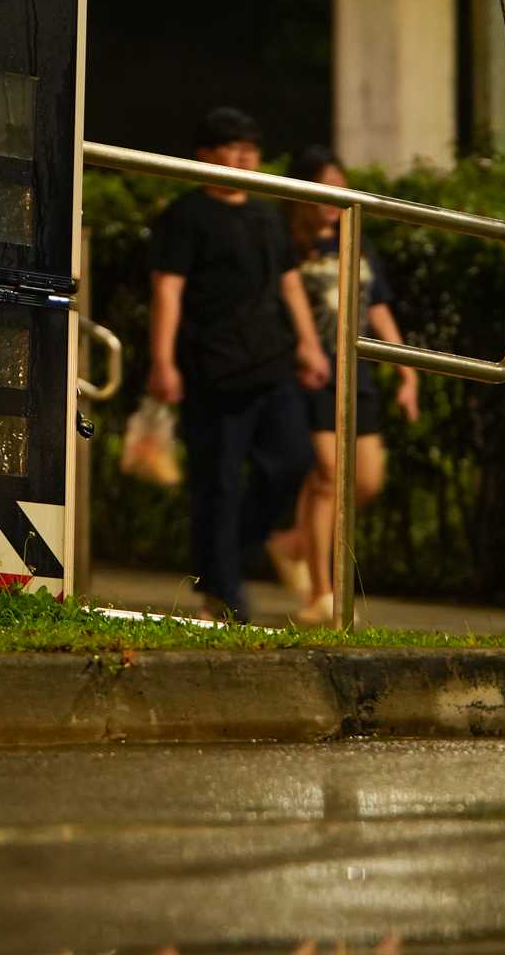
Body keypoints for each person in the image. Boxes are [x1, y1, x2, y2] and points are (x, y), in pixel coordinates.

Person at [147, 107, 331, 622]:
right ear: (205, 155)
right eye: (233, 147)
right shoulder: (186, 216)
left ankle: (234, 550)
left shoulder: (266, 214)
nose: (245, 156)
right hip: (213, 368)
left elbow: (289, 283)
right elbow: (168, 289)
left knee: (292, 463)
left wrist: (309, 346)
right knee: (218, 482)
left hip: (273, 363)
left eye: (251, 147)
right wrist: (162, 361)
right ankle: (223, 592)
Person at [266, 146, 420, 627]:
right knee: (329, 478)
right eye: (323, 188)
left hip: (360, 372)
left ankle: (292, 542)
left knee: (367, 481)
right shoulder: (288, 243)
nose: (333, 199)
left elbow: (377, 306)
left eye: (340, 187)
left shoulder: (358, 240)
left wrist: (407, 369)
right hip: (310, 373)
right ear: (302, 192)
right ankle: (321, 594)